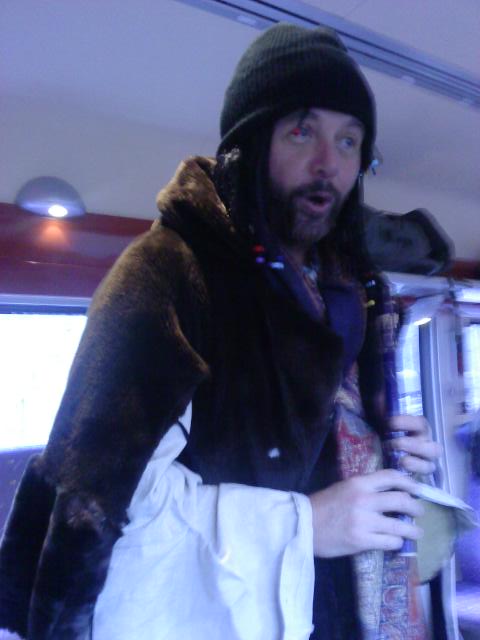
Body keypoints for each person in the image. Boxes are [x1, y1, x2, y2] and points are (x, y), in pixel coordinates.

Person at [0, 23, 452, 640]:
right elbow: (100, 515)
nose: (330, 164)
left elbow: (317, 443)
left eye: (349, 141)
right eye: (302, 131)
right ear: (249, 142)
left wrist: (384, 444)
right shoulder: (169, 273)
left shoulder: (349, 290)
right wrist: (304, 526)